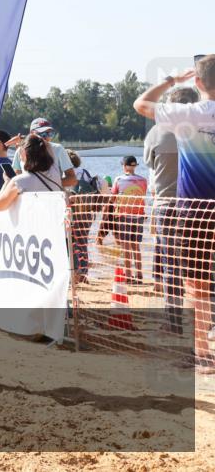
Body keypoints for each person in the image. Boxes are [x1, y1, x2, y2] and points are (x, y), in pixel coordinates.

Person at [134, 56, 215, 370]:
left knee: (197, 285)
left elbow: (141, 104)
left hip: (195, 211)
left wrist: (171, 81)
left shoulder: (187, 113)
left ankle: (203, 353)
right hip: (197, 210)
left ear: (198, 82)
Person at [144, 86, 200, 333]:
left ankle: (173, 321)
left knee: (172, 265)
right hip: (200, 206)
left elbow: (149, 163)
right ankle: (207, 322)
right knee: (203, 263)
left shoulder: (157, 132)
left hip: (166, 204)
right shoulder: (204, 130)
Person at [0, 134, 64, 211]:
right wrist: (25, 140)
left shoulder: (19, 181)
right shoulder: (55, 171)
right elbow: (45, 145)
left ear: (24, 153)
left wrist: (7, 182)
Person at [109, 156, 149, 285]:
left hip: (124, 216)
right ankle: (139, 275)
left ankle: (128, 275)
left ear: (125, 166)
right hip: (139, 215)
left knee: (126, 246)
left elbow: (112, 198)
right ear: (135, 166)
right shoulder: (143, 180)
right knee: (136, 246)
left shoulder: (119, 179)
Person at [9, 118, 77, 189]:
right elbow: (16, 176)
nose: (46, 137)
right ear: (31, 134)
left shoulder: (58, 149)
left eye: (50, 134)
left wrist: (42, 184)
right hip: (29, 195)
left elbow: (72, 179)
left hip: (53, 195)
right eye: (43, 134)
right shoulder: (20, 150)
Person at [68, 149, 103, 282]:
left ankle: (75, 273)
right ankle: (84, 274)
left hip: (72, 212)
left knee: (71, 243)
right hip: (87, 212)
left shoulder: (66, 174)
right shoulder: (85, 173)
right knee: (83, 243)